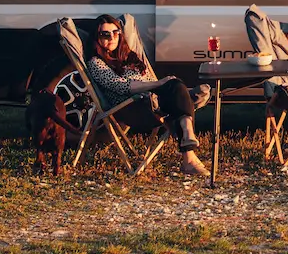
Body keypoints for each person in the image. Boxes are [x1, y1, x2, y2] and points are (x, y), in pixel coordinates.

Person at [87, 14, 209, 176]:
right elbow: (121, 86)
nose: (112, 38)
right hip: (132, 108)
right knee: (175, 97)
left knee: (175, 87)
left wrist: (161, 84)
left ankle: (188, 136)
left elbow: (151, 81)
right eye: (105, 34)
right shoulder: (96, 62)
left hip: (152, 100)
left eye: (116, 32)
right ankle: (189, 143)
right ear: (97, 38)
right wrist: (159, 83)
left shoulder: (129, 56)